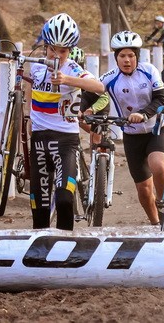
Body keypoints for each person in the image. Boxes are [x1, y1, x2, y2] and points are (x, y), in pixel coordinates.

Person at [26, 13, 105, 231]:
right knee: (39, 207)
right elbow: (28, 92)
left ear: (70, 51)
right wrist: (28, 120)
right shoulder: (37, 67)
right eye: (53, 49)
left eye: (63, 51)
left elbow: (99, 87)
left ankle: (65, 246)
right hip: (40, 140)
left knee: (64, 199)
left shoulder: (72, 68)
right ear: (45, 47)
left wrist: (67, 80)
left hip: (65, 141)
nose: (58, 55)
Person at [99, 30, 164, 225]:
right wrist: (84, 110)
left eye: (131, 55)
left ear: (137, 56)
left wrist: (145, 114)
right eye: (122, 56)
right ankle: (155, 224)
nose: (127, 60)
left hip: (156, 129)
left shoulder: (149, 71)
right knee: (144, 190)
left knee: (158, 165)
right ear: (116, 58)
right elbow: (92, 93)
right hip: (132, 135)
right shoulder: (110, 77)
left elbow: (161, 98)